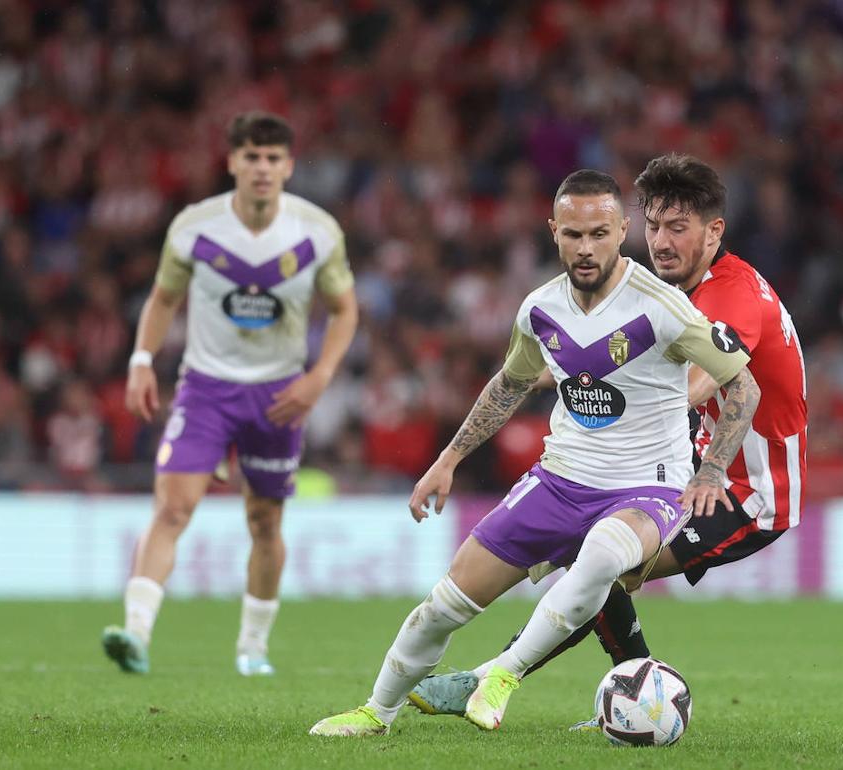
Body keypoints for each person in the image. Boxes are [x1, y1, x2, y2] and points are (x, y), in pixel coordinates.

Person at [308, 169, 761, 737]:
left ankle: (502, 674)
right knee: (445, 604)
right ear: (554, 232)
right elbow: (509, 385)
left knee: (602, 556)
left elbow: (743, 385)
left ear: (623, 230)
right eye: (574, 234)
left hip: (645, 486)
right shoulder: (540, 309)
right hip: (559, 480)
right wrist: (448, 459)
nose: (587, 247)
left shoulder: (663, 306)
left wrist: (711, 469)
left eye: (600, 233)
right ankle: (377, 711)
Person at [409, 153, 807, 726]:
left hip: (749, 489)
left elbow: (696, 387)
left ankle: (489, 679)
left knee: (599, 568)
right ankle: (636, 695)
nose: (662, 242)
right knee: (595, 563)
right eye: (654, 226)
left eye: (679, 228)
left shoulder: (732, 294)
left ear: (714, 231)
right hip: (694, 467)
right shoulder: (666, 295)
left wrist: (597, 399)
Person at [100, 112, 358, 677]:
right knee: (173, 507)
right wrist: (142, 361)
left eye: (272, 158)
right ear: (232, 162)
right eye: (251, 157)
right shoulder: (195, 226)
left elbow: (345, 310)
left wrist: (319, 377)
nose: (262, 168)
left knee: (265, 522)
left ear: (288, 166)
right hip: (206, 389)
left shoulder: (317, 231)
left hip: (279, 395)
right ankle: (136, 633)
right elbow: (163, 298)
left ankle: (253, 648)